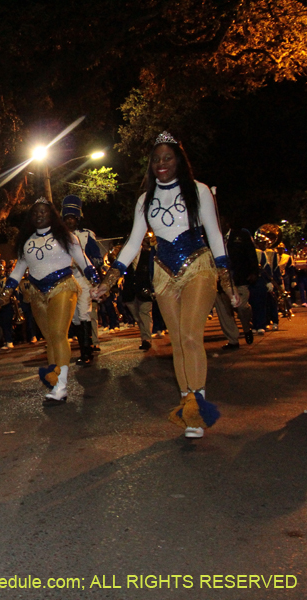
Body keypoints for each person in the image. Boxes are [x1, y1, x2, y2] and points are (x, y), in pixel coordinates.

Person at [94, 131, 239, 439]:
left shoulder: (198, 191)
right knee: (176, 339)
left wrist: (227, 280)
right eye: (156, 159)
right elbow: (134, 242)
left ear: (178, 161)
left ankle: (197, 405)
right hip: (162, 272)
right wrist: (110, 280)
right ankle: (187, 402)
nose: (161, 163)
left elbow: (214, 235)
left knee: (189, 335)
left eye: (167, 158)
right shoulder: (145, 200)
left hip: (198, 265)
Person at [5, 198, 99, 405]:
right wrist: (5, 293)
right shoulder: (26, 242)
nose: (39, 215)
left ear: (52, 216)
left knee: (58, 334)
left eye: (44, 212)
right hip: (37, 293)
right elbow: (18, 270)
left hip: (63, 287)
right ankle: (55, 381)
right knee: (50, 338)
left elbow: (84, 260)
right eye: (35, 212)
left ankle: (61, 386)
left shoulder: (66, 237)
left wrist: (97, 280)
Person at [61, 195, 102, 365]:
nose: (70, 221)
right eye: (67, 218)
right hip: (68, 281)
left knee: (84, 312)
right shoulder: (59, 238)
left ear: (77, 219)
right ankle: (85, 347)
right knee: (76, 317)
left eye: (73, 218)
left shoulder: (86, 235)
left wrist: (91, 265)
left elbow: (97, 256)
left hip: (84, 280)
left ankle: (87, 352)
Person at [214, 226, 257, 349]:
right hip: (219, 281)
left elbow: (251, 254)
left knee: (242, 306)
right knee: (224, 312)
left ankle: (247, 327)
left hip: (239, 279)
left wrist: (254, 271)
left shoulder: (241, 235)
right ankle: (233, 340)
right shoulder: (210, 237)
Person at [122, 234, 156, 351]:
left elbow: (152, 271)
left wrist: (153, 287)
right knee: (138, 317)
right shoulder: (126, 256)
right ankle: (145, 337)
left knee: (144, 313)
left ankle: (146, 339)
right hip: (130, 291)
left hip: (144, 289)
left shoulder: (148, 254)